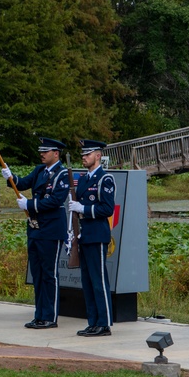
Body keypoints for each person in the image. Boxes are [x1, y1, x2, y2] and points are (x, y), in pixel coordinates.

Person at [2, 137, 71, 329]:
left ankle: (50, 316)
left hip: (51, 230)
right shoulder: (40, 170)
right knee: (38, 274)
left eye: (46, 151)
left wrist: (30, 204)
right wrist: (10, 177)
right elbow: (22, 183)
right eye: (41, 151)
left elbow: (56, 201)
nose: (42, 154)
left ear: (56, 153)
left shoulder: (62, 174)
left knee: (49, 274)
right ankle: (39, 315)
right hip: (35, 229)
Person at [69, 139, 116, 337]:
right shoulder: (84, 179)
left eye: (87, 155)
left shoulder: (105, 179)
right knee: (87, 281)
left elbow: (107, 208)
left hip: (97, 234)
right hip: (84, 234)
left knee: (98, 280)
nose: (84, 157)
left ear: (98, 156)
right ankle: (93, 321)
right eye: (83, 155)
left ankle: (104, 323)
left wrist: (84, 209)